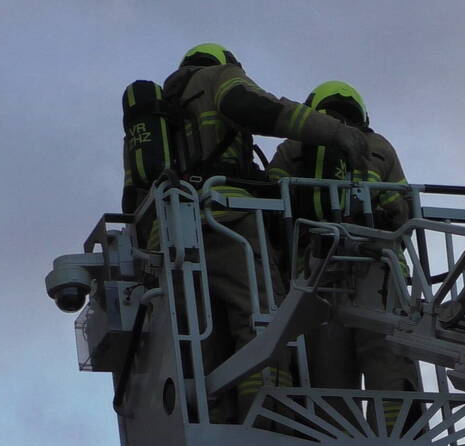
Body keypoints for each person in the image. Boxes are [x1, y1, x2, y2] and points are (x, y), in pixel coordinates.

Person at [155, 45, 369, 422]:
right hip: (229, 217)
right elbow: (256, 108)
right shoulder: (217, 79)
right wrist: (333, 132)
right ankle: (268, 417)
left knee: (204, 333)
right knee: (262, 321)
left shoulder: (164, 106)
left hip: (173, 234)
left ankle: (215, 419)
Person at [268, 81, 421, 433]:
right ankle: (402, 434)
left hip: (315, 269)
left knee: (328, 369)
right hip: (380, 267)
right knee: (389, 353)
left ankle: (336, 438)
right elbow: (404, 211)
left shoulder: (294, 146)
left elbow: (271, 204)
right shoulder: (380, 146)